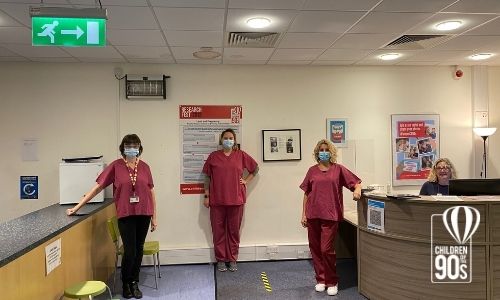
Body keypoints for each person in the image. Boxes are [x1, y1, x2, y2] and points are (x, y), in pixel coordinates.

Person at [66, 134, 157, 299]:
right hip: (126, 214)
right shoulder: (116, 166)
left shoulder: (145, 167)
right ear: (123, 148)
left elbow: (151, 192)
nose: (132, 148)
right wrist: (78, 206)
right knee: (130, 251)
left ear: (139, 148)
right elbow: (98, 187)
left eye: (135, 145)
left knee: (139, 248)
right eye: (128, 145)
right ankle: (126, 283)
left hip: (144, 213)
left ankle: (135, 282)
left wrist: (155, 217)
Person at [300, 139, 362, 296]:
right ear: (317, 153)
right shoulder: (312, 171)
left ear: (331, 152)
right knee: (315, 249)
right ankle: (320, 279)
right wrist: (303, 214)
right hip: (313, 214)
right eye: (321, 149)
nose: (324, 152)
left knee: (326, 249)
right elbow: (307, 193)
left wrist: (357, 189)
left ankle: (332, 281)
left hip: (331, 215)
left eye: (326, 149)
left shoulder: (338, 169)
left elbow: (356, 182)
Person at [202, 129, 258, 272]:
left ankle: (232, 259)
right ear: (221, 140)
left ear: (234, 140)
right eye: (226, 138)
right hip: (217, 200)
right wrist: (207, 196)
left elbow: (255, 169)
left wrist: (246, 181)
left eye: (231, 138)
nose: (228, 140)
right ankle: (221, 259)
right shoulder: (213, 157)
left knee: (234, 232)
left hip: (236, 200)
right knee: (218, 231)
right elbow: (207, 177)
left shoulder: (241, 155)